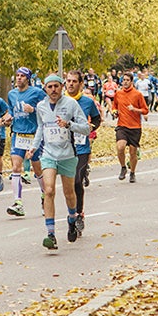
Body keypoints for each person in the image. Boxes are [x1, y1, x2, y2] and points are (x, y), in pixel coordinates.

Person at [27, 74, 92, 249]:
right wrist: (34, 147)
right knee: (48, 190)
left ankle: (72, 219)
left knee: (69, 193)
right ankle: (51, 234)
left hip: (68, 155)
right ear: (45, 89)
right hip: (48, 154)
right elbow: (41, 128)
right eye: (50, 87)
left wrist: (69, 124)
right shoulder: (41, 106)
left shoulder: (71, 104)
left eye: (56, 86)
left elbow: (86, 128)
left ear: (62, 87)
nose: (53, 90)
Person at [5, 68, 46, 217]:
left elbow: (47, 109)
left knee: (38, 170)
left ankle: (44, 196)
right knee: (16, 167)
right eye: (17, 76)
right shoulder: (12, 94)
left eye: (22, 76)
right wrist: (7, 118)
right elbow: (11, 110)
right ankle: (18, 203)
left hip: (33, 135)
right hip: (18, 134)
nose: (19, 78)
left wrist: (33, 109)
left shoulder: (37, 93)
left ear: (27, 79)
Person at [65, 71, 101, 221]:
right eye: (68, 81)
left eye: (74, 81)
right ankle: (72, 212)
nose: (71, 84)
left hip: (81, 148)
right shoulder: (59, 101)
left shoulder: (87, 102)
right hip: (64, 148)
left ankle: (79, 213)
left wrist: (91, 127)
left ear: (80, 84)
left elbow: (97, 119)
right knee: (68, 186)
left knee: (77, 181)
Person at [112, 74, 148, 183]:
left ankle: (132, 173)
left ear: (132, 81)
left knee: (133, 152)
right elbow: (114, 106)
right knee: (120, 147)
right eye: (124, 80)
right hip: (122, 125)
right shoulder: (118, 93)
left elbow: (145, 110)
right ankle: (123, 167)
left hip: (135, 127)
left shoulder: (137, 94)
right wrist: (114, 112)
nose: (125, 82)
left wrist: (135, 109)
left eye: (127, 80)